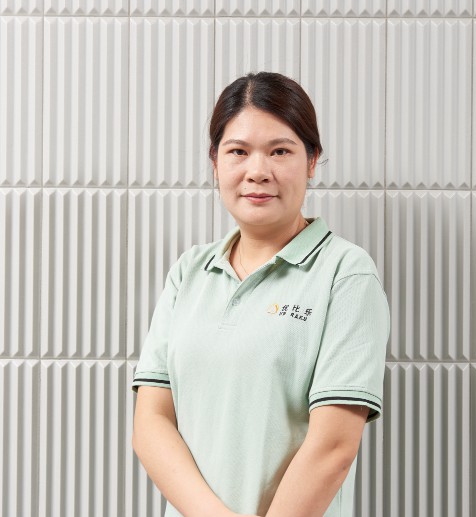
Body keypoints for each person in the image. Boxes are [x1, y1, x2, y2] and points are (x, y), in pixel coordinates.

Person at [132, 71, 390, 517]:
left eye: (280, 151)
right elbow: (151, 423)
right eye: (238, 151)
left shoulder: (345, 274)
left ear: (312, 160)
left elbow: (333, 448)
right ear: (215, 162)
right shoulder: (190, 271)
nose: (257, 172)